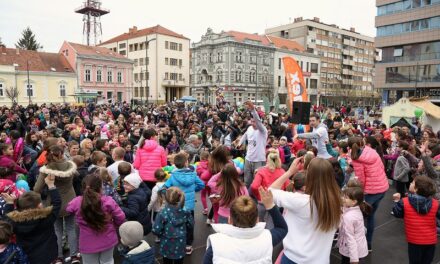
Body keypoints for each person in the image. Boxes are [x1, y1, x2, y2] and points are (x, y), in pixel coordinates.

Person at [270, 158, 342, 264]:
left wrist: (290, 172)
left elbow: (269, 192)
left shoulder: (301, 202)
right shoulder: (336, 202)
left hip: (294, 259)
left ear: (310, 177)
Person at [203, 189, 288, 264]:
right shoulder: (268, 238)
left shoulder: (216, 243)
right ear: (257, 220)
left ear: (229, 220)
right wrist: (270, 206)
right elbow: (282, 228)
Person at [33, 145, 79, 264]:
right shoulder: (70, 165)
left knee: (56, 230)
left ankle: (58, 257)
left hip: (54, 202)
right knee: (71, 228)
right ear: (62, 153)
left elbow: (37, 188)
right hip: (70, 200)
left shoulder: (46, 169)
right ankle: (74, 256)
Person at [66, 174, 126, 264]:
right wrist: (115, 225)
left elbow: (68, 209)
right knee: (108, 261)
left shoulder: (76, 202)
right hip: (108, 238)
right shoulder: (108, 201)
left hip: (87, 242)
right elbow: (120, 217)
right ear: (100, 187)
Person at [3, 175, 60, 264]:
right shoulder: (47, 217)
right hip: (48, 255)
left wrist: (9, 203)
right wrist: (51, 185)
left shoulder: (15, 222)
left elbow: (6, 222)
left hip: (27, 257)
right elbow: (57, 203)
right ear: (39, 205)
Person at [347, 136, 389, 251]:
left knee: (359, 218)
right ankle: (368, 244)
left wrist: (360, 193)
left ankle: (359, 246)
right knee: (370, 216)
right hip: (382, 188)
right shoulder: (372, 152)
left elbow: (361, 180)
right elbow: (382, 167)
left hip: (371, 191)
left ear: (349, 147)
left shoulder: (357, 158)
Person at [163, 153, 204, 254]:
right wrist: (193, 190)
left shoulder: (172, 177)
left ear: (175, 164)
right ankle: (188, 246)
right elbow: (201, 184)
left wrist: (170, 197)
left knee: (175, 224)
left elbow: (164, 188)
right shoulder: (193, 175)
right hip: (189, 207)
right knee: (190, 225)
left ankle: (176, 241)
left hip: (176, 206)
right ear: (186, 162)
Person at [392, 176, 439, 264]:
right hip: (431, 240)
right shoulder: (435, 203)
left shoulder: (404, 202)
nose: (410, 183)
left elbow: (397, 213)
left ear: (416, 189)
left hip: (414, 241)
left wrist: (396, 201)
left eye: (413, 183)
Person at [153, 187, 193, 264]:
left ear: (166, 198)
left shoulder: (162, 213)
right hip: (181, 242)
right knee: (179, 261)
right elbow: (191, 225)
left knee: (167, 261)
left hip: (166, 242)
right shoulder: (186, 211)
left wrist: (160, 235)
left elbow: (156, 229)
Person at [250, 149, 289, 227]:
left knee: (258, 224)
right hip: (275, 202)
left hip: (262, 202)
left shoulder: (261, 171)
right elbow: (288, 186)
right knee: (271, 226)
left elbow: (254, 186)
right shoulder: (282, 172)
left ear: (267, 160)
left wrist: (259, 196)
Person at [238, 101, 268, 188]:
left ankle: (256, 200)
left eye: (254, 122)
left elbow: (258, 121)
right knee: (247, 182)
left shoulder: (263, 130)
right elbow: (245, 135)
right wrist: (240, 143)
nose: (252, 123)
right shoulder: (250, 128)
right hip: (248, 159)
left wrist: (253, 110)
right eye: (251, 121)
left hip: (259, 160)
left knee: (257, 184)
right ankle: (247, 199)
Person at [338, 187, 370, 264]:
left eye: (346, 197)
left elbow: (350, 238)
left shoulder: (349, 217)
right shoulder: (356, 208)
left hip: (352, 252)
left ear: (354, 202)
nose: (342, 198)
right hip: (359, 249)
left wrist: (354, 259)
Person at [196, 150, 211, 215]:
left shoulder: (199, 165)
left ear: (201, 157)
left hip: (203, 183)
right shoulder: (211, 164)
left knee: (203, 196)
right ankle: (214, 207)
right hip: (210, 182)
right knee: (211, 196)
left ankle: (206, 209)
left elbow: (198, 173)